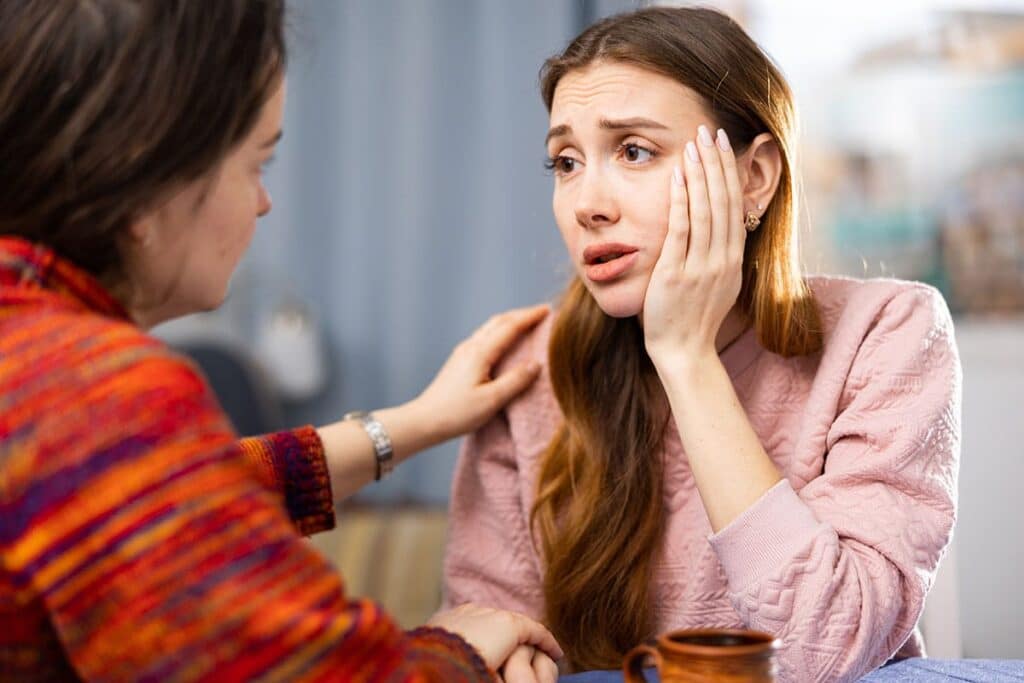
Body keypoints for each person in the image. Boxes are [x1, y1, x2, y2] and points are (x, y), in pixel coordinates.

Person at [0, 2, 563, 681]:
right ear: (145, 171)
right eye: (256, 165)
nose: (265, 203)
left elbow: (182, 486)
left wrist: (418, 422)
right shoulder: (89, 390)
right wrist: (455, 646)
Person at [443, 6, 961, 681]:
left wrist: (685, 357)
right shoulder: (525, 371)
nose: (585, 203)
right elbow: (486, 641)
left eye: (634, 150)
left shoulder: (886, 333)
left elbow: (825, 648)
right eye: (565, 161)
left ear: (755, 177)